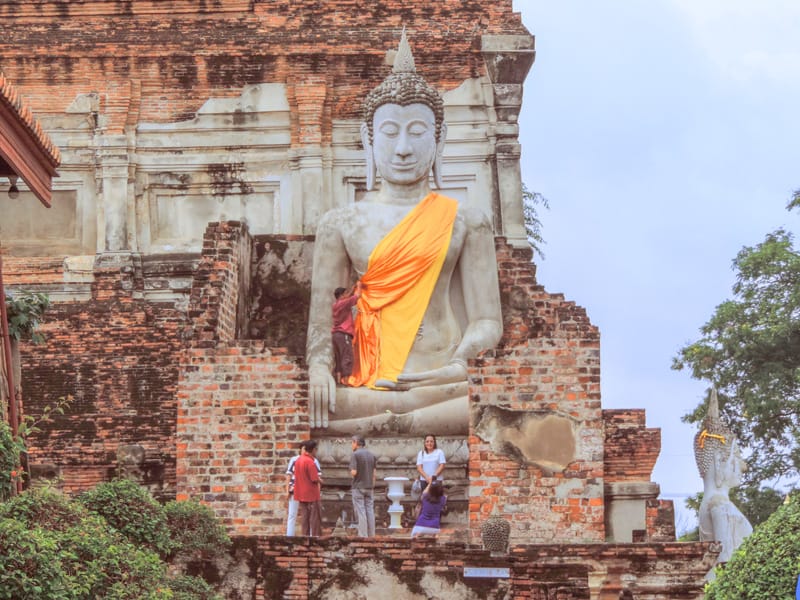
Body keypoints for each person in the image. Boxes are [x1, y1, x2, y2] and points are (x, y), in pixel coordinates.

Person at [306, 29, 502, 432]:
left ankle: (401, 419)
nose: (403, 149)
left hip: (441, 379)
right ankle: (407, 421)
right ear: (368, 139)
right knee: (324, 407)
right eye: (390, 133)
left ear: (439, 139)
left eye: (417, 131)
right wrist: (318, 370)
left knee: (481, 401)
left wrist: (456, 364)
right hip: (365, 383)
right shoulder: (340, 222)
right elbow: (323, 320)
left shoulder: (468, 220)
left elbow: (487, 322)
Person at [694, 390, 753, 570]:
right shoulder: (719, 505)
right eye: (736, 455)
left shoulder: (713, 503)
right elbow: (725, 562)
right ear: (719, 463)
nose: (743, 466)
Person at [285, 442, 322, 536]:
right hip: (308, 492)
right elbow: (315, 478)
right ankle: (311, 537)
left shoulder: (299, 461)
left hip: (299, 490)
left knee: (304, 516)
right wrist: (320, 482)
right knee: (312, 517)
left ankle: (305, 536)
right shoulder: (310, 461)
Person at [331, 281, 362, 385]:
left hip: (336, 335)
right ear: (341, 295)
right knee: (347, 356)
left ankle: (339, 380)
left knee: (338, 357)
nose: (347, 295)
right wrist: (359, 286)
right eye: (345, 294)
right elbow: (357, 296)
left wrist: (351, 289)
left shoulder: (336, 304)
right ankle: (346, 381)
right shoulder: (344, 303)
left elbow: (348, 296)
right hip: (344, 334)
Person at [349, 434, 377, 537]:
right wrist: (372, 485)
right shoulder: (371, 455)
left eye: (352, 443)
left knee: (361, 512)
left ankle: (363, 536)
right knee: (370, 511)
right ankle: (371, 535)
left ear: (356, 443)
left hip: (358, 486)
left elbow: (354, 472)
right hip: (369, 486)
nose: (351, 445)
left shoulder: (355, 455)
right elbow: (374, 473)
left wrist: (350, 471)